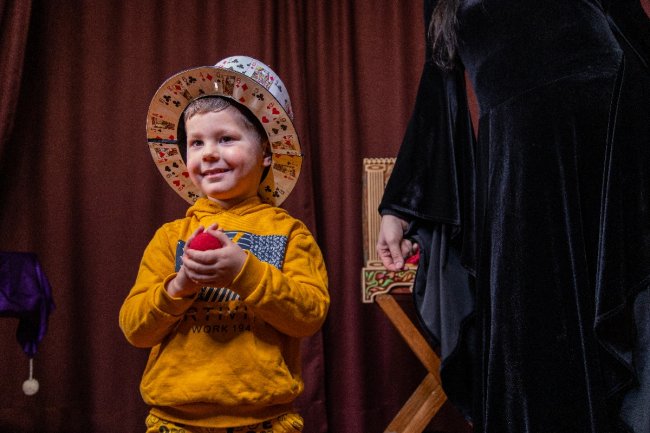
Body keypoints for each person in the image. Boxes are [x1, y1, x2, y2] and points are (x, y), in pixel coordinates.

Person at [377, 1, 650, 432]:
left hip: (615, 140)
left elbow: (631, 30)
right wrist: (400, 207)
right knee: (534, 345)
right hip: (519, 167)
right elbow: (439, 83)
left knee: (628, 320)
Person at [119, 56, 329, 433]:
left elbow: (310, 316)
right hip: (175, 422)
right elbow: (136, 329)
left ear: (267, 152)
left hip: (266, 420)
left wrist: (244, 272)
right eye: (196, 143)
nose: (209, 153)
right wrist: (179, 286)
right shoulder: (170, 237)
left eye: (226, 139)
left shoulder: (290, 233)